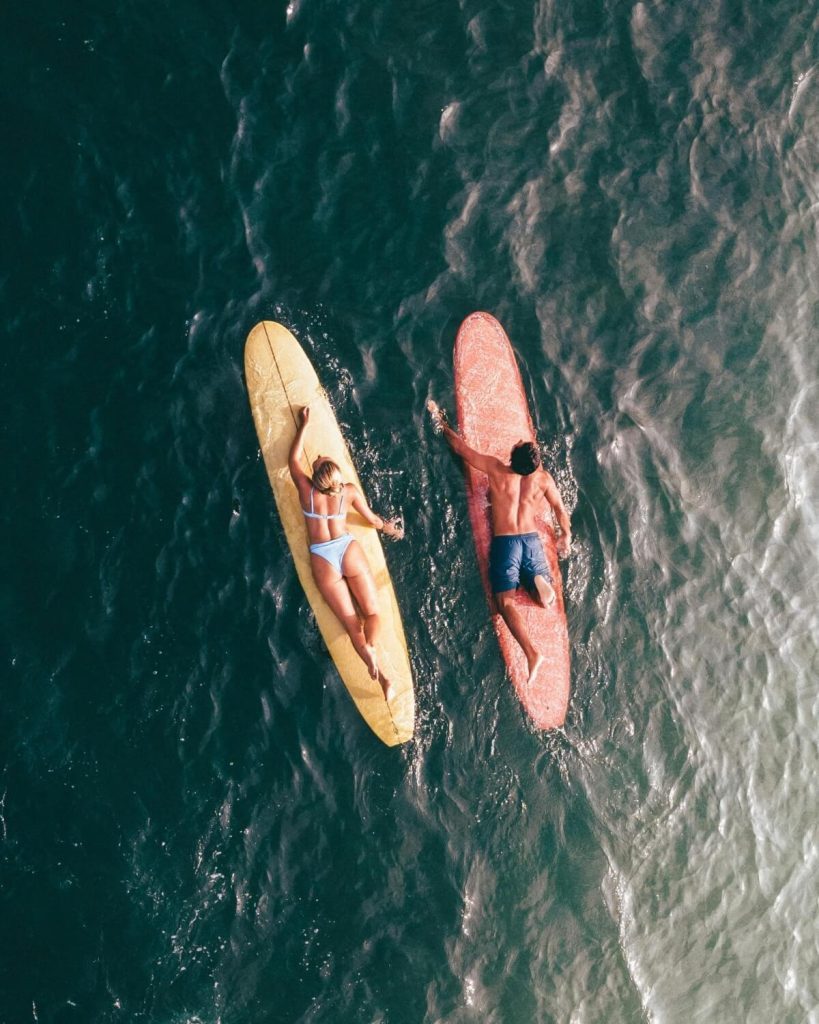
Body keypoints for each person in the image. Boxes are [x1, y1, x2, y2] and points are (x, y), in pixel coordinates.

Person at [427, 399, 571, 684]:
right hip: (531, 541)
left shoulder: (496, 469)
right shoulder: (543, 480)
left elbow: (461, 449)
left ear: (513, 457)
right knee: (534, 581)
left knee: (504, 602)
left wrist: (440, 420)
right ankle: (540, 585)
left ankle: (532, 653)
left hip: (507, 543)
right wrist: (565, 535)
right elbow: (560, 511)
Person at [288, 406, 404, 701]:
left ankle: (381, 674)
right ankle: (373, 648)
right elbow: (373, 520)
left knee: (353, 626)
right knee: (372, 614)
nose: (318, 456)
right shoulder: (348, 491)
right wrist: (391, 529)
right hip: (347, 549)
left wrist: (304, 425)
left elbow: (293, 459)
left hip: (323, 559)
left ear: (316, 478)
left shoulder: (307, 491)